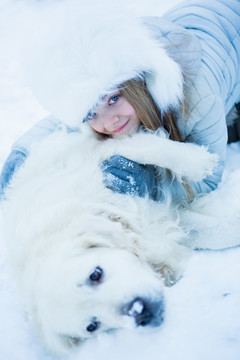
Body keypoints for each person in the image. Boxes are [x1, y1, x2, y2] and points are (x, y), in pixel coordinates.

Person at [0, 0, 240, 203]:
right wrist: (22, 153)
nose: (109, 122)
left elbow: (208, 177)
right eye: (91, 114)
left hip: (232, 24)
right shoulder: (101, 85)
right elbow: (64, 118)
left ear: (137, 84)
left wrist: (151, 189)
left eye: (113, 99)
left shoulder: (199, 97)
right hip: (196, 21)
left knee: (209, 129)